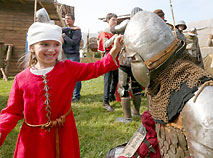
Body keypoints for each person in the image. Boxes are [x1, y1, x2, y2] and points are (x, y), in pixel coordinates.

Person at [0, 22, 123, 158]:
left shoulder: (68, 68)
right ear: (32, 47)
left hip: (64, 133)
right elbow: (12, 112)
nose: (52, 50)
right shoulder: (21, 79)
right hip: (34, 139)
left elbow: (95, 68)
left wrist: (115, 50)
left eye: (56, 44)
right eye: (45, 44)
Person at [113, 7, 143, 123]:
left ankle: (127, 118)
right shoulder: (145, 26)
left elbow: (112, 29)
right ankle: (136, 113)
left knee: (123, 88)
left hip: (125, 60)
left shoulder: (128, 23)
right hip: (138, 61)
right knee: (136, 87)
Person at [97, 13, 119, 112]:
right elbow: (105, 45)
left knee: (115, 79)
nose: (115, 22)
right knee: (108, 80)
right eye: (113, 20)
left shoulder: (116, 32)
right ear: (108, 20)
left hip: (116, 59)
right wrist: (114, 37)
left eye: (116, 20)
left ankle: (111, 95)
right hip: (108, 59)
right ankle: (105, 101)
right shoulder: (104, 33)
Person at [62, 14, 82, 102]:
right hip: (66, 56)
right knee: (68, 77)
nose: (67, 20)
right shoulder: (66, 30)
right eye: (66, 19)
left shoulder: (77, 31)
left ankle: (76, 95)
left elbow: (73, 43)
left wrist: (65, 36)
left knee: (75, 76)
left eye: (69, 19)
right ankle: (71, 94)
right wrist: (70, 29)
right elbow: (59, 29)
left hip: (74, 56)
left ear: (73, 20)